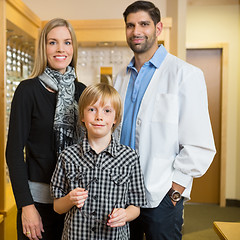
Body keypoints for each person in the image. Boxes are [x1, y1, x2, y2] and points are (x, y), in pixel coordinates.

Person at [113, 1, 216, 239]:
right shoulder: (120, 77)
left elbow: (199, 143)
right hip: (122, 194)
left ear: (158, 28)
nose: (136, 31)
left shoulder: (185, 74)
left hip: (161, 195)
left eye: (144, 24)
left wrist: (175, 192)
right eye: (130, 25)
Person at [5, 18, 86, 240]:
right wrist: (26, 206)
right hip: (38, 204)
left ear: (73, 48)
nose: (61, 49)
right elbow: (13, 153)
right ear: (44, 47)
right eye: (53, 42)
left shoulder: (83, 92)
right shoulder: (27, 90)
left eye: (67, 42)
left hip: (76, 203)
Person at [51, 83, 147, 240]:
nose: (99, 117)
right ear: (82, 115)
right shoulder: (67, 156)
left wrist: (125, 214)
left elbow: (135, 207)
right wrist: (70, 199)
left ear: (115, 118)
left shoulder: (130, 157)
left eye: (107, 111)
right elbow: (57, 207)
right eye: (92, 109)